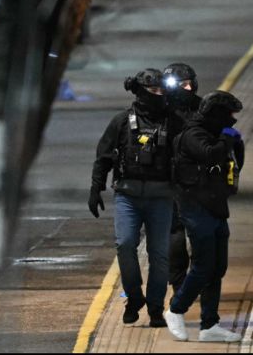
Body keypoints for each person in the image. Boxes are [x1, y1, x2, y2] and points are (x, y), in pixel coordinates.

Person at [89, 69, 178, 328]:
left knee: (159, 254)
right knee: (125, 245)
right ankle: (135, 297)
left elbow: (187, 154)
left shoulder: (173, 122)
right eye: (153, 91)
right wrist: (96, 188)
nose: (159, 96)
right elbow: (103, 157)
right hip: (128, 197)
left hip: (161, 197)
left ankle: (155, 308)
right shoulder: (120, 122)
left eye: (163, 91)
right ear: (139, 92)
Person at [164, 90, 245, 343]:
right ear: (216, 114)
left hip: (215, 206)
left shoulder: (213, 133)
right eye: (229, 115)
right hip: (195, 208)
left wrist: (233, 143)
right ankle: (176, 310)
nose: (232, 120)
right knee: (203, 265)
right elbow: (210, 154)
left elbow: (233, 163)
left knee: (218, 267)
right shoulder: (193, 134)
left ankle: (209, 324)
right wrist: (227, 140)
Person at [161, 63, 202, 296]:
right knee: (175, 235)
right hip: (172, 183)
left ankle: (195, 281)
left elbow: (230, 144)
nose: (187, 88)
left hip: (198, 182)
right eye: (182, 84)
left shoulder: (203, 109)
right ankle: (179, 284)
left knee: (200, 236)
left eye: (189, 84)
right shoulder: (161, 111)